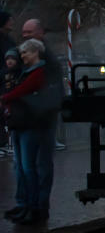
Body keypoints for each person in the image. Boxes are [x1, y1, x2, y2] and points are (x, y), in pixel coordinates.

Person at [1, 38, 58, 224]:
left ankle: (33, 207)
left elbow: (21, 91)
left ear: (35, 53)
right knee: (23, 168)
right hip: (21, 123)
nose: (22, 56)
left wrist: (6, 98)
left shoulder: (38, 73)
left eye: (26, 52)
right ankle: (27, 205)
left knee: (28, 167)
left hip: (30, 124)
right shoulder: (25, 72)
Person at [21, 19, 66, 151]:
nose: (25, 35)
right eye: (24, 32)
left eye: (29, 32)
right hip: (33, 103)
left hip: (44, 103)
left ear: (40, 33)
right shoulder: (28, 51)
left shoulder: (45, 54)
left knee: (41, 152)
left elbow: (52, 78)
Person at [0, 47, 19, 158]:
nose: (10, 61)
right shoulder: (2, 73)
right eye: (7, 59)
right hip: (3, 101)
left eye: (12, 58)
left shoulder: (19, 73)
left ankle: (9, 145)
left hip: (14, 102)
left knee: (11, 124)